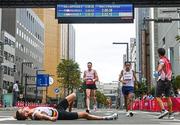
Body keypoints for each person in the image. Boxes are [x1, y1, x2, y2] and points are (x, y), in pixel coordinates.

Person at [14, 93, 118, 121]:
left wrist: (17, 116)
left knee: (73, 95)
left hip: (57, 107)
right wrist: (50, 118)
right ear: (26, 113)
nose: (24, 108)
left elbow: (19, 116)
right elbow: (41, 115)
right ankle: (106, 118)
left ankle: (70, 111)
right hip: (60, 114)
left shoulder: (31, 111)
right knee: (85, 115)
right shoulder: (33, 114)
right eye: (23, 110)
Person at [153, 48, 174, 119]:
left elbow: (161, 66)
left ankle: (163, 110)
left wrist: (157, 72)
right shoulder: (167, 60)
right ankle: (170, 114)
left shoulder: (161, 60)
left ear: (159, 53)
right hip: (169, 80)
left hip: (162, 80)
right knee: (168, 97)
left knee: (157, 96)